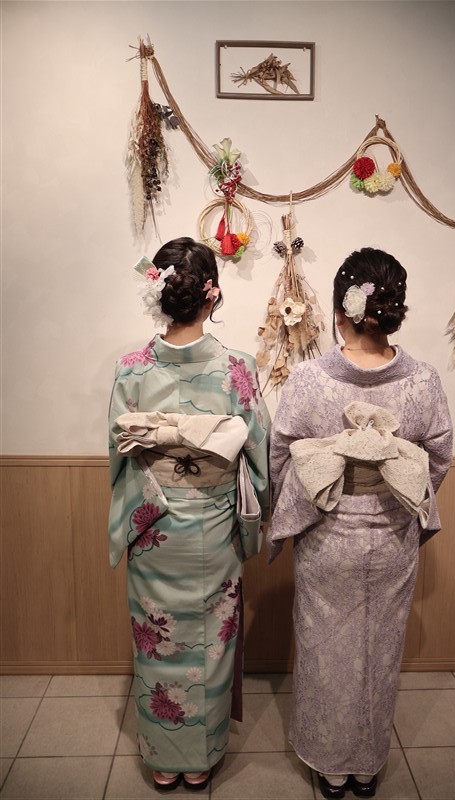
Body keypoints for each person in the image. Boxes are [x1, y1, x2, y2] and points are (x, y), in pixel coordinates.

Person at [267, 247, 453, 799]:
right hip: (393, 535)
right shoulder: (422, 381)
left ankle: (331, 766)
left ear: (339, 311)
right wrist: (395, 493)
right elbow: (438, 458)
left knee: (325, 646)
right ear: (395, 310)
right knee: (380, 648)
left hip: (327, 533)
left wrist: (308, 499)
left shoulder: (309, 380)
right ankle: (368, 766)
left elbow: (280, 456)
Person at [107, 237, 270, 792]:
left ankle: (162, 757)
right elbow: (258, 454)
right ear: (211, 295)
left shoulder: (131, 370)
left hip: (152, 526)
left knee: (156, 638)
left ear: (159, 294)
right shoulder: (238, 367)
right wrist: (252, 519)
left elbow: (119, 458)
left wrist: (132, 518)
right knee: (211, 644)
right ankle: (200, 758)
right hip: (215, 526)